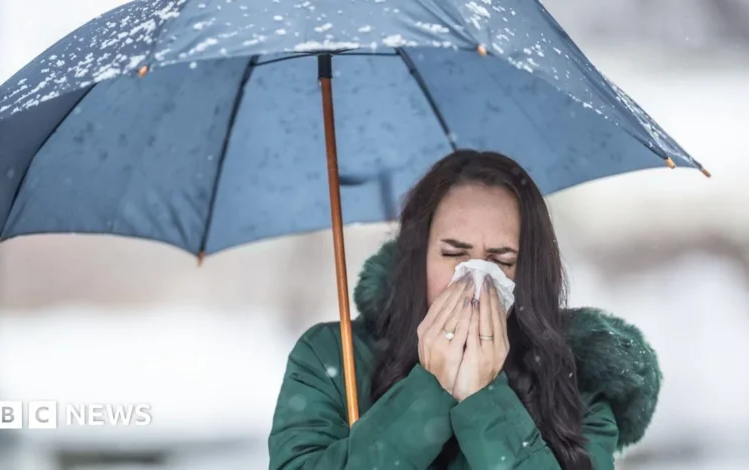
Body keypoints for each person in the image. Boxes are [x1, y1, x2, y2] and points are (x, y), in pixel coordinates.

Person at [268, 150, 661, 470]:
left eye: (501, 260)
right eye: (454, 253)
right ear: (417, 257)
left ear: (529, 273)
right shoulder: (332, 358)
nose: (475, 280)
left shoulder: (577, 378)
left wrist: (484, 396)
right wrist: (430, 390)